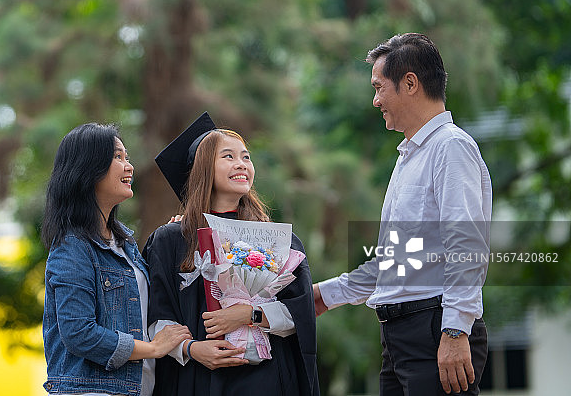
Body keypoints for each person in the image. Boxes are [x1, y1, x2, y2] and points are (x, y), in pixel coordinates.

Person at [313, 33, 491, 396]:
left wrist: (455, 331)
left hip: (435, 331)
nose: (375, 100)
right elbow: (394, 262)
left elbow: (467, 247)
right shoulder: (409, 157)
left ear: (410, 83)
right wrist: (325, 295)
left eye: (379, 88)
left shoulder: (450, 148)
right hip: (399, 340)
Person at [143, 112, 320, 396]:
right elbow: (156, 317)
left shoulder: (277, 240)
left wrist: (250, 314)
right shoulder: (171, 240)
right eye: (228, 156)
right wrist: (191, 349)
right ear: (203, 168)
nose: (241, 164)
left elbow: (300, 315)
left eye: (246, 157)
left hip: (266, 380)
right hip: (196, 377)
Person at [42, 123, 191, 396]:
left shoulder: (126, 245)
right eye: (117, 157)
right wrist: (154, 348)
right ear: (88, 168)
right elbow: (79, 333)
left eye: (127, 157)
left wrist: (174, 237)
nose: (129, 166)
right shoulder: (73, 246)